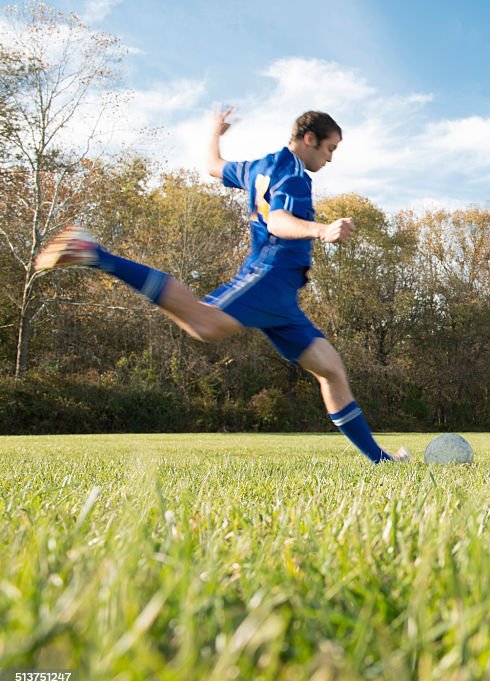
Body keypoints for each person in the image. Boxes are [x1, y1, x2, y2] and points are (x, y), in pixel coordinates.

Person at [35, 107, 408, 463]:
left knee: (330, 370)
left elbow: (213, 166)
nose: (330, 158)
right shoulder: (295, 175)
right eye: (330, 148)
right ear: (310, 138)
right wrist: (322, 229)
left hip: (283, 296)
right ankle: (95, 253)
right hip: (269, 274)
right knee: (205, 323)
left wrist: (214, 133)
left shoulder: (258, 166)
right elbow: (278, 220)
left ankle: (379, 460)